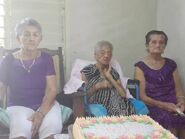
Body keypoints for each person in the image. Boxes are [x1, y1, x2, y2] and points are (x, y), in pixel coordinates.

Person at [0, 17, 62, 139]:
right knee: (20, 134)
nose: (31, 38)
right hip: (18, 106)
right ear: (18, 38)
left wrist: (40, 113)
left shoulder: (46, 59)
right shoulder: (8, 60)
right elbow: (1, 87)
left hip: (45, 105)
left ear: (40, 39)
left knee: (50, 133)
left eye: (35, 35)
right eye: (26, 35)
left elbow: (52, 89)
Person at [134, 30, 185, 138]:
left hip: (174, 104)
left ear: (165, 46)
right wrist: (164, 105)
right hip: (154, 105)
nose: (158, 45)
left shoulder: (171, 64)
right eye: (154, 42)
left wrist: (181, 102)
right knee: (169, 120)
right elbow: (142, 97)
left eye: (161, 42)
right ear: (147, 45)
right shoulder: (140, 67)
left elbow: (179, 90)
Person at [81, 40, 135, 116]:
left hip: (118, 103)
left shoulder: (113, 72)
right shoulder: (87, 70)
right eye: (102, 53)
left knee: (126, 108)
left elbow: (123, 94)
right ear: (95, 55)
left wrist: (110, 78)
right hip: (99, 103)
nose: (106, 55)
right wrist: (98, 86)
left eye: (109, 53)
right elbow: (84, 96)